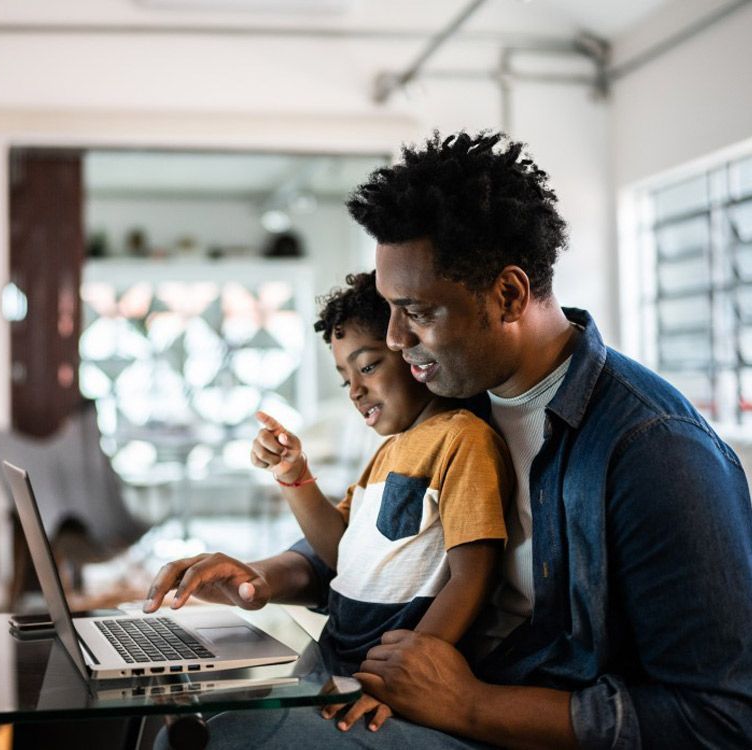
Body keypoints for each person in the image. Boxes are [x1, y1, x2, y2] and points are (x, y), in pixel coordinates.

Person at [147, 131, 752, 749]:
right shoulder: (460, 390)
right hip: (415, 692)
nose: (395, 339)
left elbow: (717, 719)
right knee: (176, 724)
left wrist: (472, 706)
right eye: (389, 309)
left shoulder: (656, 451)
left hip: (497, 722)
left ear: (509, 295)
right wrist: (264, 577)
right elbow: (377, 536)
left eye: (418, 312)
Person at [248, 270, 512, 728]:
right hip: (335, 663)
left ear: (413, 353)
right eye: (344, 377)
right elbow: (340, 555)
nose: (354, 390)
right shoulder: (389, 451)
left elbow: (474, 575)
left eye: (368, 366)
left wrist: (402, 676)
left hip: (385, 687)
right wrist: (294, 476)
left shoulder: (463, 439)